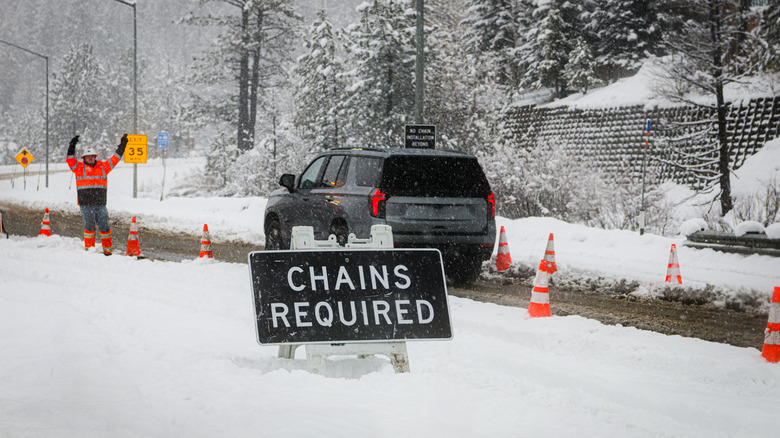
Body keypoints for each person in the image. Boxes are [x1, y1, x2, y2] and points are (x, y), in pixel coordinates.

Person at [66, 134, 128, 255]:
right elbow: (70, 159)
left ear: (95, 157)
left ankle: (108, 251)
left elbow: (115, 158)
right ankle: (90, 250)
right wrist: (72, 145)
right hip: (86, 204)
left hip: (100, 204)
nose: (90, 158)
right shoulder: (78, 168)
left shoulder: (103, 167)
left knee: (105, 227)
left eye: (92, 156)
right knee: (89, 228)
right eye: (87, 156)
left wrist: (122, 145)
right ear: (84, 158)